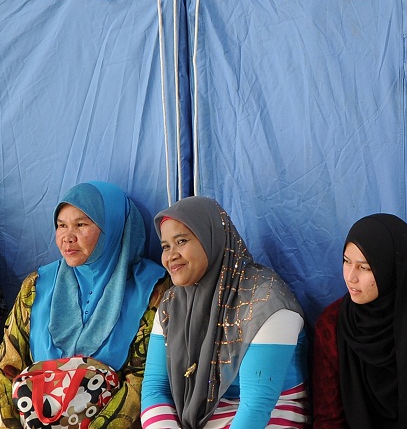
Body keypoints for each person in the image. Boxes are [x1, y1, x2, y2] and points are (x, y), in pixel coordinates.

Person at [0, 181, 170, 428]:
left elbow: (144, 379)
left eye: (81, 224)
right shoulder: (36, 287)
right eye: (61, 226)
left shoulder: (152, 288)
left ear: (113, 228)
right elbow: (7, 368)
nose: (67, 237)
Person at [140, 196, 309, 428]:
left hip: (271, 414)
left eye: (181, 241)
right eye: (166, 246)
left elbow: (257, 405)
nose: (171, 256)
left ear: (212, 239)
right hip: (202, 418)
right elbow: (155, 389)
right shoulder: (171, 305)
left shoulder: (265, 300)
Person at [312, 213, 407, 429]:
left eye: (365, 267)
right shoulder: (332, 325)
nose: (351, 277)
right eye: (347, 262)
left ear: (395, 269)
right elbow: (328, 419)